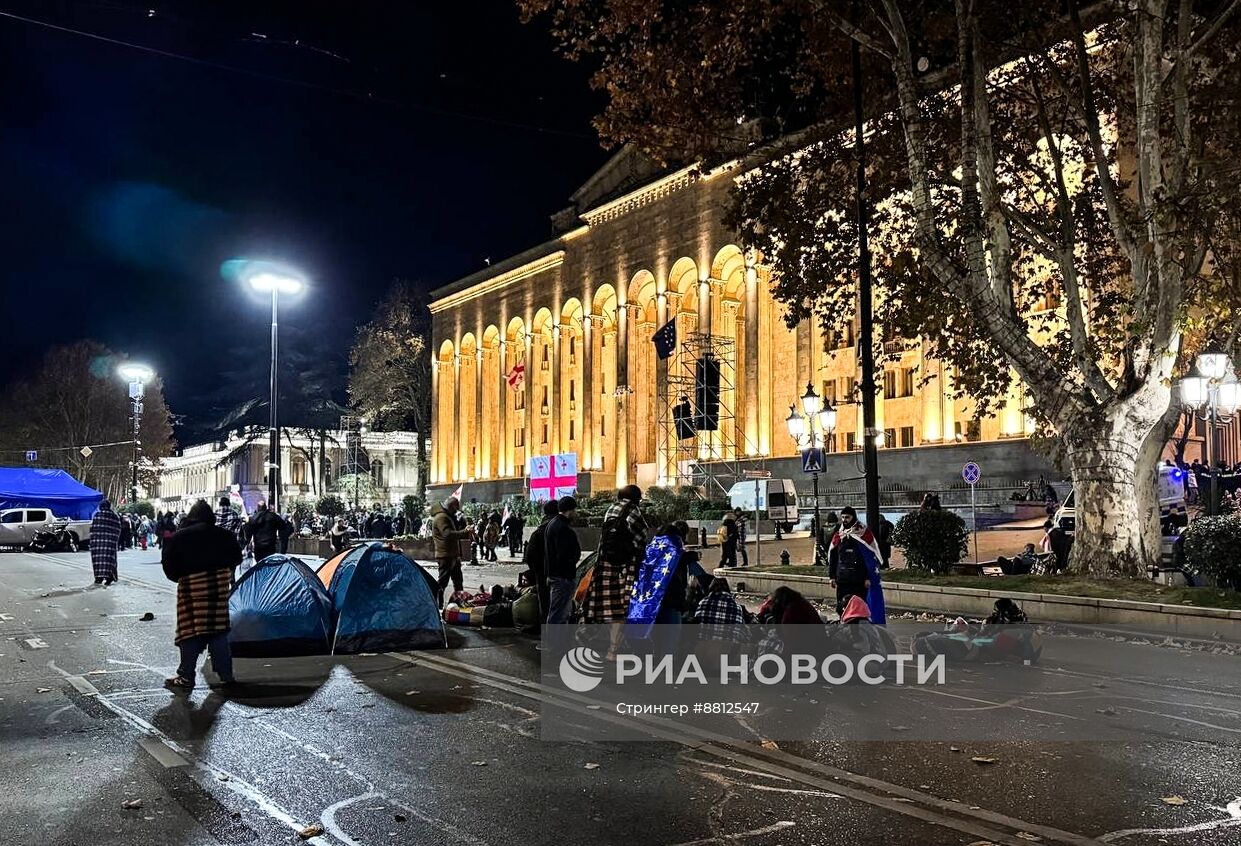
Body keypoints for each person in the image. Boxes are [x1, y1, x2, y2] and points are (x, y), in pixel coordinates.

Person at [160, 499, 242, 691]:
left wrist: (182, 578)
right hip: (218, 587)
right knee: (218, 630)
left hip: (191, 587)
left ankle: (186, 675)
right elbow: (237, 557)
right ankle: (226, 675)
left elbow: (169, 564)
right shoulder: (225, 535)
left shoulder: (179, 537)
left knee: (189, 631)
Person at [583, 485, 649, 660]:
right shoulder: (633, 511)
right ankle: (613, 651)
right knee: (622, 609)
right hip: (625, 566)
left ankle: (604, 643)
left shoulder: (611, 509)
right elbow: (642, 536)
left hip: (605, 563)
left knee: (610, 608)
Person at [827, 506, 887, 623]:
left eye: (847, 517)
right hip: (842, 579)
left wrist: (868, 577)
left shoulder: (863, 534)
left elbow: (868, 559)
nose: (844, 520)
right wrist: (832, 577)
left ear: (853, 517)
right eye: (843, 517)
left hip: (858, 581)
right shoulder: (839, 535)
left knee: (860, 608)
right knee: (842, 606)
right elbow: (833, 557)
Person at [544, 496, 581, 625]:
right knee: (559, 613)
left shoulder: (553, 524)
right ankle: (554, 643)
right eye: (575, 510)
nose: (576, 513)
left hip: (555, 574)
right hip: (562, 577)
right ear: (569, 511)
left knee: (557, 611)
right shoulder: (563, 528)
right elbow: (565, 554)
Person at [430, 497, 473, 604]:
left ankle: (459, 601)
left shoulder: (446, 516)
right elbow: (447, 534)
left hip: (451, 554)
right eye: (455, 508)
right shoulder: (441, 517)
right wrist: (464, 532)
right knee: (443, 582)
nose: (456, 511)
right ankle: (436, 603)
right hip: (445, 555)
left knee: (458, 581)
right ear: (451, 506)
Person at [523, 500, 559, 618]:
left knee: (545, 606)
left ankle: (547, 633)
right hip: (561, 576)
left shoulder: (538, 532)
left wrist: (538, 571)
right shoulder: (562, 529)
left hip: (542, 576)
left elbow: (529, 556)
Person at [89, 500, 122, 586]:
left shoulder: (97, 516)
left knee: (98, 560)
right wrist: (114, 539)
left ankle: (98, 577)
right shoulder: (114, 516)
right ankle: (109, 577)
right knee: (109, 560)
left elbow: (93, 529)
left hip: (97, 544)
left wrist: (93, 540)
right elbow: (118, 529)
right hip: (110, 543)